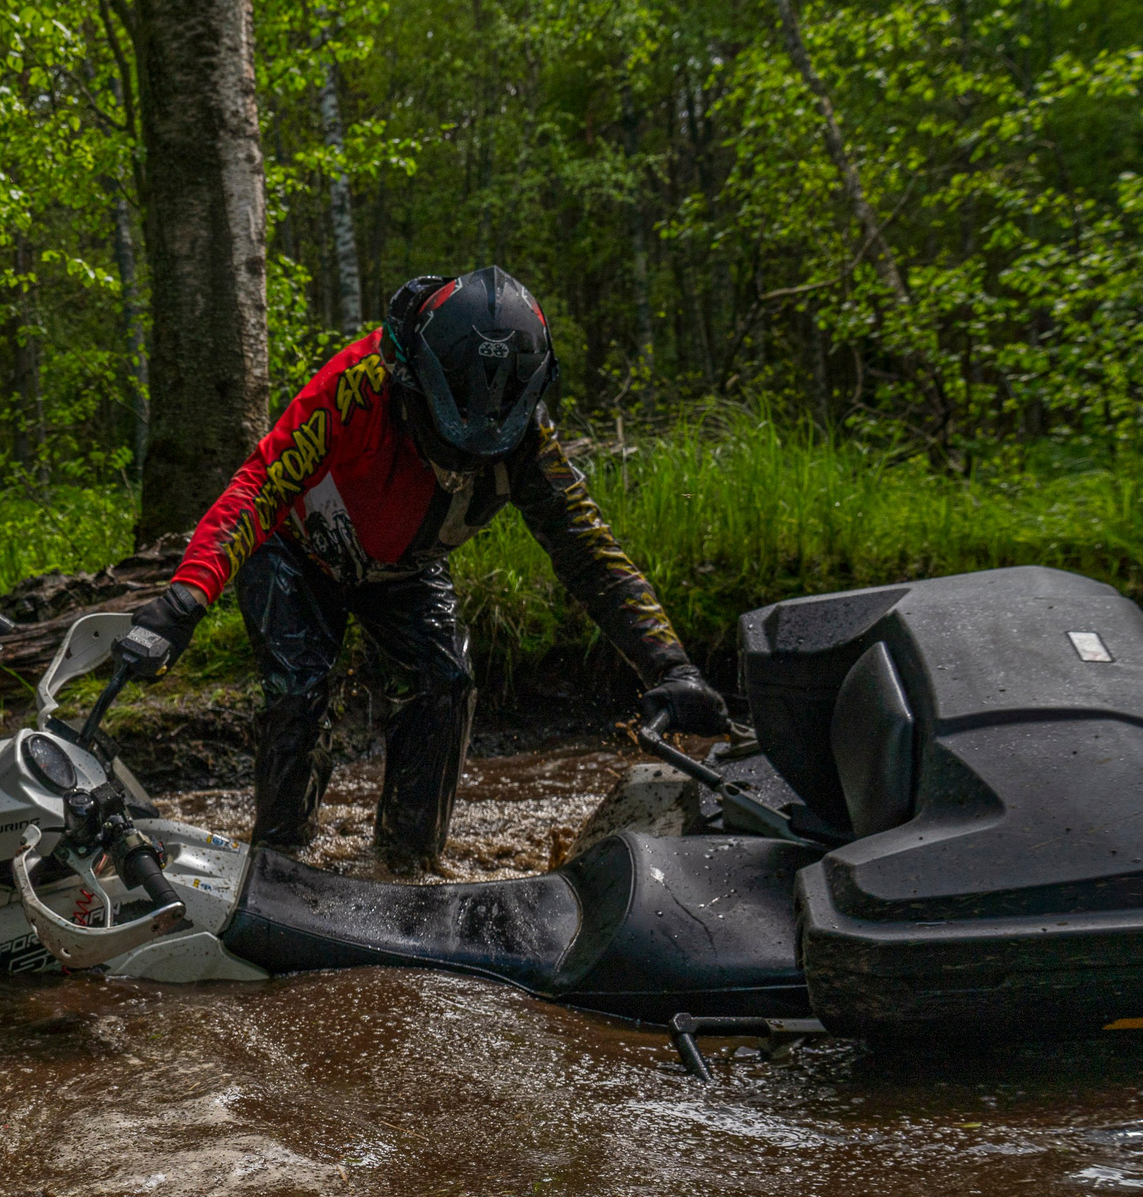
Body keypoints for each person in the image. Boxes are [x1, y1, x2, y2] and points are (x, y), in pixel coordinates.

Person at [116, 264, 728, 873]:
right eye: (449, 433)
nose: (463, 459)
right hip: (296, 553)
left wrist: (670, 667)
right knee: (299, 691)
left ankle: (408, 863)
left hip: (405, 570)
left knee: (447, 683)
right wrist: (183, 602)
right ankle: (278, 857)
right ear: (414, 383)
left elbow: (589, 554)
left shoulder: (529, 445)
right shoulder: (356, 384)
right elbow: (258, 489)